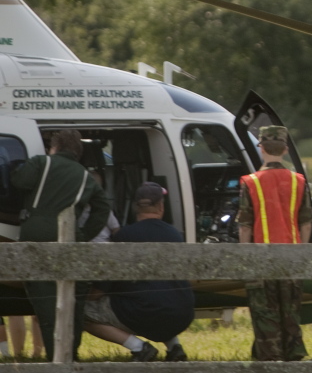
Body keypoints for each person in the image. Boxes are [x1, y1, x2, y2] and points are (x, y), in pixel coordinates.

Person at [11, 129, 111, 361]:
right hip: (70, 240)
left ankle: (56, 359)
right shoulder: (85, 176)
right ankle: (71, 354)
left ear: (54, 147)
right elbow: (103, 208)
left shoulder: (41, 163)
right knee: (72, 302)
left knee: (47, 302)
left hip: (35, 234)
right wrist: (84, 234)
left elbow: (19, 180)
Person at [83, 182, 194, 362]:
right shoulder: (175, 235)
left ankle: (139, 348)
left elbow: (103, 287)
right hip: (183, 314)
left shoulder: (124, 236)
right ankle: (174, 346)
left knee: (81, 312)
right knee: (159, 301)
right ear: (161, 206)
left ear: (136, 207)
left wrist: (88, 296)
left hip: (144, 314)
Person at [238, 125, 312, 362]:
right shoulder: (299, 181)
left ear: (261, 149)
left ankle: (269, 360)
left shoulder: (251, 182)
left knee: (265, 316)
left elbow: (245, 225)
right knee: (290, 316)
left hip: (261, 260)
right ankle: (293, 360)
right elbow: (306, 223)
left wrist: (246, 257)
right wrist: (300, 253)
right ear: (286, 149)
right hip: (291, 260)